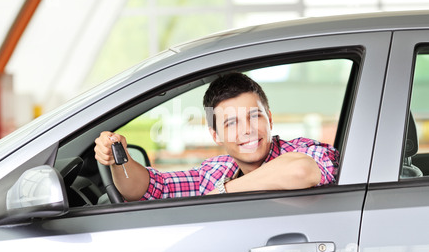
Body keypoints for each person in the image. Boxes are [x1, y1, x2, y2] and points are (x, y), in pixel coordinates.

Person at [94, 72, 339, 201]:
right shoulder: (215, 172)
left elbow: (301, 171)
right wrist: (119, 158)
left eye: (255, 116)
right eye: (231, 122)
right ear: (216, 135)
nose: (247, 130)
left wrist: (224, 193)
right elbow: (149, 189)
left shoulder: (302, 150)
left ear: (270, 119)